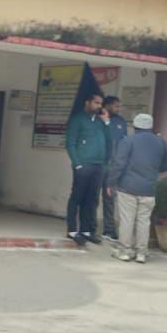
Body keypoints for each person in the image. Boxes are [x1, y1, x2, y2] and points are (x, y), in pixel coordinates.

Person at [106, 113, 167, 264]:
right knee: (144, 222)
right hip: (149, 189)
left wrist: (111, 183)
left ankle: (125, 252)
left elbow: (118, 164)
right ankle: (141, 253)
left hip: (127, 188)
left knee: (127, 220)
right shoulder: (161, 143)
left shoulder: (128, 141)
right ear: (151, 126)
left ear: (135, 127)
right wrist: (153, 170)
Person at [66, 91, 112, 245]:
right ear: (87, 103)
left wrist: (106, 122)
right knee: (77, 197)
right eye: (96, 103)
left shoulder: (100, 121)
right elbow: (70, 143)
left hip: (99, 166)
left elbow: (109, 140)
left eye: (101, 103)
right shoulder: (77, 119)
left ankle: (86, 230)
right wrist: (77, 164)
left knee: (92, 199)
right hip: (83, 165)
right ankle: (72, 230)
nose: (99, 106)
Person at [100, 96, 129, 241]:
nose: (119, 109)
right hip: (98, 164)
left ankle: (109, 230)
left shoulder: (121, 121)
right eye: (116, 106)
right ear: (107, 106)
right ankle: (88, 228)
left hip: (113, 166)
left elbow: (124, 142)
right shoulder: (98, 119)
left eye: (119, 106)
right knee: (91, 198)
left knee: (110, 198)